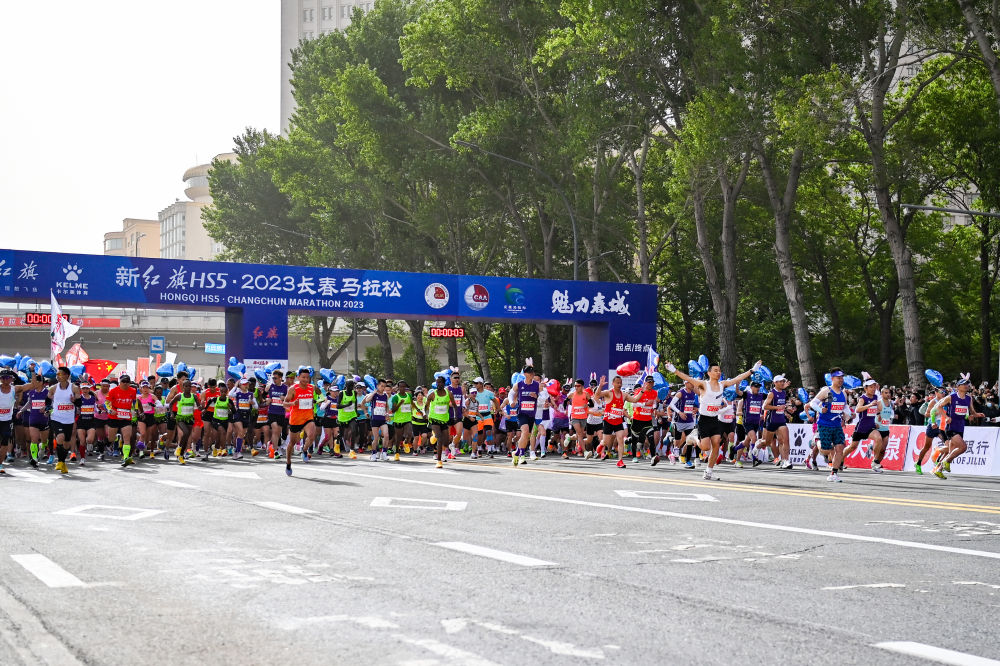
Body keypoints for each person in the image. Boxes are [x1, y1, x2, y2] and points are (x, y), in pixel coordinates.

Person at [667, 360, 759, 480]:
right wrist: (674, 370)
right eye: (715, 370)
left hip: (715, 420)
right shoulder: (704, 384)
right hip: (704, 420)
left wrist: (752, 370)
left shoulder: (723, 384)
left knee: (716, 444)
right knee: (705, 447)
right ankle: (693, 437)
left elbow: (737, 379)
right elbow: (688, 378)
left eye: (719, 370)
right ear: (709, 373)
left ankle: (709, 471)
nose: (718, 372)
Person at [931, 374, 983, 479]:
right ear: (958, 387)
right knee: (963, 447)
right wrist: (945, 417)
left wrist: (976, 415)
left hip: (961, 427)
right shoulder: (952, 397)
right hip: (951, 427)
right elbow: (938, 407)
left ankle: (939, 470)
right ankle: (946, 461)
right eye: (963, 384)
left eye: (967, 384)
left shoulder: (969, 398)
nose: (966, 386)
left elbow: (971, 411)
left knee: (952, 451)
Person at [808, 368, 850, 483]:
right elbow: (813, 403)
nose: (841, 380)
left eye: (842, 378)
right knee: (826, 450)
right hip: (824, 424)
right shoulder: (826, 390)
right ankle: (816, 441)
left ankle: (834, 473)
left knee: (840, 448)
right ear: (832, 379)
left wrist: (849, 414)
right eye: (838, 378)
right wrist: (821, 409)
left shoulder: (843, 393)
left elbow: (844, 406)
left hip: (837, 425)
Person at [845, 378, 886, 473]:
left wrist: (879, 398)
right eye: (871, 387)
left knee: (879, 438)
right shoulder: (863, 398)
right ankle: (839, 460)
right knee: (852, 447)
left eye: (874, 387)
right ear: (866, 388)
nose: (873, 389)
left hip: (871, 426)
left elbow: (879, 409)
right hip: (861, 427)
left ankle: (875, 462)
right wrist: (869, 405)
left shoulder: (876, 397)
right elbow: (858, 409)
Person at [283, 368, 318, 476]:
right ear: (298, 377)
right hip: (295, 419)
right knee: (292, 443)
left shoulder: (312, 388)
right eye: (303, 377)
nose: (306, 379)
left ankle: (304, 450)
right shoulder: (293, 389)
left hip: (308, 417)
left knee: (312, 435)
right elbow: (285, 403)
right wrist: (293, 403)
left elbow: (318, 396)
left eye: (307, 377)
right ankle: (288, 463)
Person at [757, 376, 790, 468]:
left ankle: (785, 461)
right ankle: (758, 446)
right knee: (767, 442)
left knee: (785, 440)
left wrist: (786, 409)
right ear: (775, 383)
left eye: (783, 381)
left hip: (781, 420)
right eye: (780, 381)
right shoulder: (771, 393)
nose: (782, 383)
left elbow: (782, 405)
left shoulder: (783, 392)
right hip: (772, 420)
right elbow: (764, 406)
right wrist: (777, 408)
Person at [106, 375, 138, 468]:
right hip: (114, 417)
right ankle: (116, 439)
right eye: (123, 381)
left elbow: (134, 401)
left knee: (127, 438)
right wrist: (110, 409)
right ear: (120, 382)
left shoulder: (133, 390)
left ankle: (126, 457)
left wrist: (135, 410)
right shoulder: (113, 391)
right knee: (111, 439)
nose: (125, 383)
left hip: (126, 417)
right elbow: (107, 402)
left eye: (127, 381)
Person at [915, 386, 948, 475]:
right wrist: (936, 413)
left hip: (942, 426)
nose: (943, 393)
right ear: (936, 393)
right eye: (941, 392)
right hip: (932, 426)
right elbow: (926, 414)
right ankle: (918, 463)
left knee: (947, 445)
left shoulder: (946, 401)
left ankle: (937, 461)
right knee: (926, 447)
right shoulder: (933, 401)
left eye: (944, 391)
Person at [667, 380, 698, 468]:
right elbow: (671, 405)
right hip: (679, 420)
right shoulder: (680, 393)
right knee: (677, 442)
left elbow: (692, 405)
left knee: (690, 440)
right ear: (686, 383)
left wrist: (694, 410)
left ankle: (688, 461)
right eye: (691, 383)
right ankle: (673, 454)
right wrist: (679, 412)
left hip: (689, 420)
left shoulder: (693, 393)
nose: (693, 384)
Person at [428, 375, 455, 468]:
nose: (438, 384)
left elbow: (455, 406)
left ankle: (434, 437)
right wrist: (425, 414)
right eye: (437, 382)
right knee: (440, 438)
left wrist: (455, 416)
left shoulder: (449, 393)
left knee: (446, 442)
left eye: (440, 382)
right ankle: (439, 461)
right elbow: (426, 406)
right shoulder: (432, 394)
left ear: (444, 383)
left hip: (444, 420)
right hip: (434, 419)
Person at [363, 379, 391, 461]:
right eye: (381, 386)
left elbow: (386, 406)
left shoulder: (385, 395)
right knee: (376, 438)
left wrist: (387, 413)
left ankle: (384, 453)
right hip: (375, 419)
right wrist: (374, 393)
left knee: (386, 435)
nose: (383, 388)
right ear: (378, 386)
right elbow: (367, 401)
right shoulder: (374, 395)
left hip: (382, 419)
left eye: (384, 386)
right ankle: (373, 454)